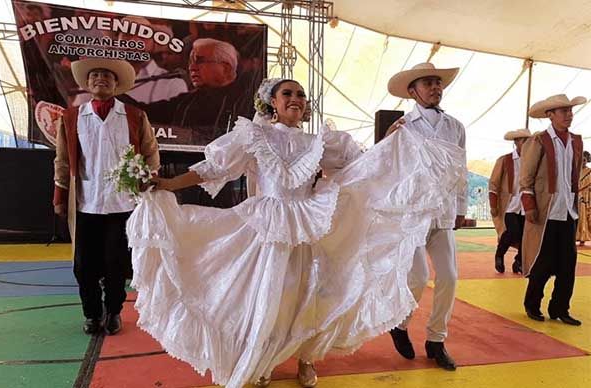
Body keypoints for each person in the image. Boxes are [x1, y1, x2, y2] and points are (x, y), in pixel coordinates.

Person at [125, 78, 466, 388]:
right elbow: (213, 169)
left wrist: (390, 143)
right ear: (271, 102)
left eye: (301, 95)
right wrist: (168, 183)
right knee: (269, 294)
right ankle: (264, 358)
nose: (296, 99)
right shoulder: (254, 135)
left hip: (309, 223)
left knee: (308, 293)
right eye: (287, 93)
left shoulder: (319, 141)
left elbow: (362, 166)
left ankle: (306, 358)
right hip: (268, 224)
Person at [53, 58, 160, 335]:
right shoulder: (71, 117)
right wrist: (60, 196)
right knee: (83, 266)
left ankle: (113, 311)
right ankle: (92, 313)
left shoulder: (136, 116)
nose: (100, 79)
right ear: (87, 84)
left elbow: (150, 152)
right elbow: (63, 161)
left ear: (116, 84)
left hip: (123, 204)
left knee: (117, 264)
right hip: (85, 203)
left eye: (107, 76)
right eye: (95, 75)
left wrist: (146, 180)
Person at [385, 62, 468, 371]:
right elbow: (389, 167)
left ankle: (436, 340)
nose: (435, 87)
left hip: (443, 212)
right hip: (413, 213)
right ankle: (401, 324)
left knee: (450, 277)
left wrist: (461, 208)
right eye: (428, 83)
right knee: (419, 276)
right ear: (413, 91)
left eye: (438, 82)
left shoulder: (455, 127)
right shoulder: (404, 126)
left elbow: (461, 167)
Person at [521, 94, 586, 326]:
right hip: (546, 211)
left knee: (568, 263)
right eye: (563, 111)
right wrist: (529, 206)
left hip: (568, 210)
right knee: (544, 261)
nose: (569, 115)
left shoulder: (577, 141)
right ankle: (532, 304)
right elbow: (526, 178)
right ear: (550, 115)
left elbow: (574, 176)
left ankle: (560, 308)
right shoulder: (538, 141)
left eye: (570, 111)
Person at [121, 37, 251, 146]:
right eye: (190, 62)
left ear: (226, 68)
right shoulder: (188, 101)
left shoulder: (245, 101)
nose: (192, 68)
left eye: (199, 61)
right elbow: (145, 112)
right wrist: (114, 94)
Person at [73, 16, 188, 106]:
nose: (134, 41)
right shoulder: (94, 79)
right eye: (127, 34)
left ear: (154, 43)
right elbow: (77, 117)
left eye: (143, 35)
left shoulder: (172, 83)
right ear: (117, 40)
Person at [489, 129, 532, 274]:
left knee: (527, 236)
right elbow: (493, 184)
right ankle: (499, 254)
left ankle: (518, 262)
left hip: (528, 205)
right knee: (512, 231)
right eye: (523, 140)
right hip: (510, 204)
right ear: (516, 142)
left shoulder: (534, 160)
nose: (526, 144)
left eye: (528, 140)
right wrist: (493, 205)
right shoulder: (505, 160)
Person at [576, 151, 591, 245]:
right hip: (575, 196)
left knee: (583, 217)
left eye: (585, 160)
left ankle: (582, 238)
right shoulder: (576, 171)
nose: (583, 162)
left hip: (584, 197)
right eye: (582, 160)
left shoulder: (589, 172)